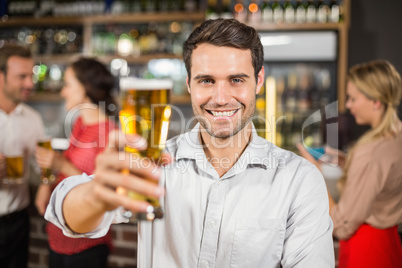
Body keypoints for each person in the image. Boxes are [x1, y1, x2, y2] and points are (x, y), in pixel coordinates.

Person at [45, 19, 335, 267]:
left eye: (236, 79)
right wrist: (97, 195)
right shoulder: (154, 162)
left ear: (258, 81)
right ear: (189, 85)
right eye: (207, 80)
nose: (221, 97)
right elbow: (65, 215)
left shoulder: (299, 179)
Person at [298, 60, 402, 268]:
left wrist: (314, 174)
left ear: (376, 102)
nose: (347, 105)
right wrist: (347, 161)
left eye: (353, 98)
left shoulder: (371, 152)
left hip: (366, 252)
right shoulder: (395, 137)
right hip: (389, 245)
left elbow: (341, 225)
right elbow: (383, 177)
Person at [35, 58, 117, 268]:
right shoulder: (80, 123)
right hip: (59, 234)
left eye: (68, 85)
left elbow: (104, 189)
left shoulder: (109, 133)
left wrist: (60, 164)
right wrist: (47, 182)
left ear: (85, 88)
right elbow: (69, 169)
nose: (63, 92)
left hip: (86, 243)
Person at [0, 44, 45, 268]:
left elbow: (44, 168)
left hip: (18, 222)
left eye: (31, 75)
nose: (30, 83)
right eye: (22, 76)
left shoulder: (33, 118)